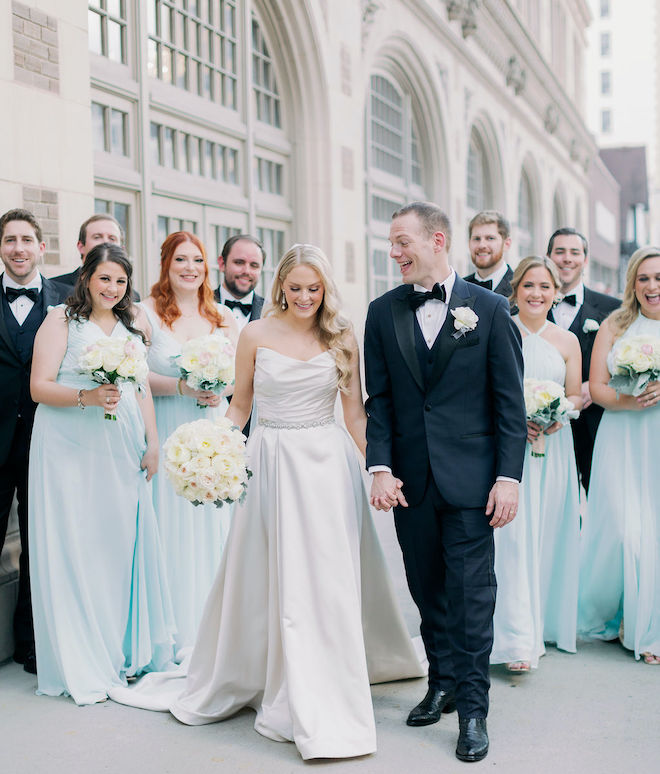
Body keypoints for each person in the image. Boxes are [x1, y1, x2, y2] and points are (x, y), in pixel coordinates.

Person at [166, 243, 424, 760]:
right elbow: (240, 406)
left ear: (325, 289)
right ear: (281, 285)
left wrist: (380, 469)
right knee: (270, 572)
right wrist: (212, 452)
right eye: (296, 287)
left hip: (326, 467)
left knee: (324, 579)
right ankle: (270, 674)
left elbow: (354, 416)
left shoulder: (342, 335)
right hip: (269, 462)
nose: (305, 297)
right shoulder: (255, 334)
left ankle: (325, 685)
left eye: (315, 289)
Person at [364, 202, 527, 763]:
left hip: (474, 482)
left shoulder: (490, 309)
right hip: (411, 483)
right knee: (427, 587)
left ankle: (475, 710)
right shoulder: (382, 312)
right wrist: (380, 467)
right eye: (390, 243)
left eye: (401, 241)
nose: (394, 253)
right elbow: (379, 400)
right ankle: (442, 681)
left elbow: (510, 404)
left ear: (437, 240)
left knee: (471, 594)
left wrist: (508, 478)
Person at [28, 242, 175, 704]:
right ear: (87, 277)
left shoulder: (132, 326)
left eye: (121, 280)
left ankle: (118, 649)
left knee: (117, 545)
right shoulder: (60, 321)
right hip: (69, 446)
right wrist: (85, 398)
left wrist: (152, 441)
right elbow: (38, 387)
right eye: (104, 278)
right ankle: (81, 653)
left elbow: (140, 391)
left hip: (121, 446)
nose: (112, 288)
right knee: (77, 544)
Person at [141, 231, 239, 654]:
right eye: (180, 259)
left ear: (207, 266)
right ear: (166, 263)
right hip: (166, 428)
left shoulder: (222, 317)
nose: (189, 268)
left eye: (196, 260)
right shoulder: (144, 314)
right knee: (170, 528)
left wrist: (222, 388)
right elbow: (135, 375)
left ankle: (215, 628)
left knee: (213, 527)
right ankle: (174, 633)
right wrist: (181, 388)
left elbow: (240, 375)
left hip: (212, 432)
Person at [490, 256, 582, 673]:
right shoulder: (499, 329)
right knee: (512, 539)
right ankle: (513, 636)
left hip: (553, 447)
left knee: (545, 533)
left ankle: (540, 622)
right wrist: (514, 419)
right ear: (516, 289)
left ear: (555, 292)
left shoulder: (567, 341)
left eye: (545, 286)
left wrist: (556, 413)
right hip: (508, 451)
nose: (536, 293)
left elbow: (577, 394)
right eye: (528, 285)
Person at [578, 246, 660, 665]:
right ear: (632, 283)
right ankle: (623, 613)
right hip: (623, 437)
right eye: (643, 278)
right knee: (627, 533)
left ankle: (651, 632)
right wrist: (632, 401)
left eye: (658, 278)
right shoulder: (615, 324)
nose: (651, 286)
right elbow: (596, 386)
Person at [0, 208, 67, 675]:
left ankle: (31, 642)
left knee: (39, 544)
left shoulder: (67, 300)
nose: (19, 248)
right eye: (10, 240)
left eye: (27, 239)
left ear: (42, 247)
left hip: (49, 441)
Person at [547, 228, 620, 493]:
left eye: (574, 252)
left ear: (585, 260)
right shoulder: (530, 305)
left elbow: (623, 359)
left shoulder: (613, 307)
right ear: (549, 257)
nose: (567, 258)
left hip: (597, 422)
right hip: (547, 428)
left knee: (603, 499)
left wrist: (599, 384)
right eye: (560, 252)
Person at [214, 234, 265, 330]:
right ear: (222, 264)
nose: (246, 271)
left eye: (254, 265)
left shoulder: (272, 312)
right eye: (239, 262)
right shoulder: (200, 305)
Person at [464, 210, 514, 298]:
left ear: (507, 244)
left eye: (490, 238)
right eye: (476, 239)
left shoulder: (519, 288)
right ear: (469, 243)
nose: (481, 245)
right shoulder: (458, 288)